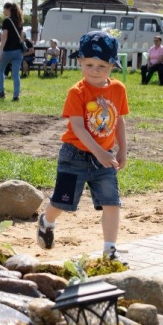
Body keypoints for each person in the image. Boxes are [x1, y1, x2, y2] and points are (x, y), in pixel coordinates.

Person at [37, 31, 129, 264]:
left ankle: (110, 251)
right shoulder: (77, 92)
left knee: (111, 202)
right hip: (74, 156)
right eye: (89, 64)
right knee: (62, 202)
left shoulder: (118, 89)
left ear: (112, 66)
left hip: (105, 159)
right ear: (79, 62)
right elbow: (77, 127)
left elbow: (118, 119)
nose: (95, 71)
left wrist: (122, 149)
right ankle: (46, 221)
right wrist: (99, 152)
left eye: (102, 66)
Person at [0, 2, 24, 101]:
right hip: (18, 51)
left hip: (8, 50)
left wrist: (0, 50)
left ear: (8, 9)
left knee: (0, 70)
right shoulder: (19, 20)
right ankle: (16, 95)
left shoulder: (7, 21)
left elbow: (4, 37)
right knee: (15, 74)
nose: (3, 11)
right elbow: (22, 37)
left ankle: (1, 92)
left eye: (4, 9)